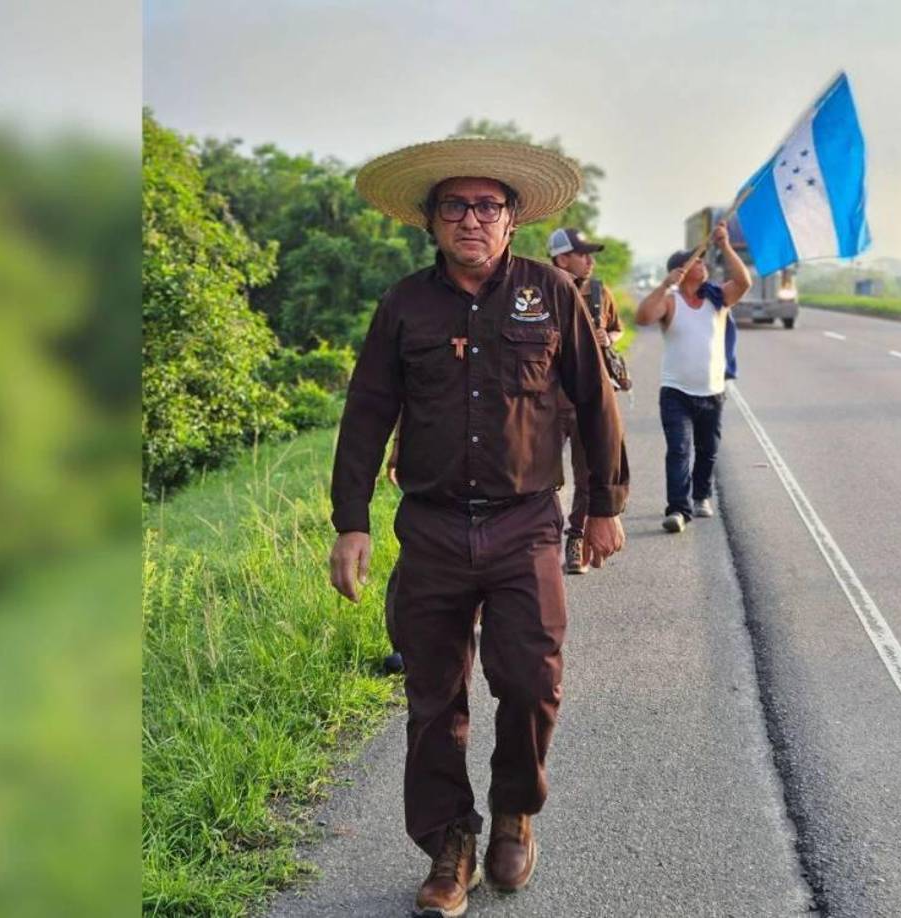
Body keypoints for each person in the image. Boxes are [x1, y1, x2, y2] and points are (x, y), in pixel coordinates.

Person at [328, 136, 628, 917]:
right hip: (429, 529)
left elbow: (596, 401)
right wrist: (351, 523)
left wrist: (604, 506)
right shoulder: (403, 306)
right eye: (454, 206)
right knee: (433, 696)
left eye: (487, 206)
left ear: (512, 219)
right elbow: (367, 413)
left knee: (531, 681)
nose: (471, 219)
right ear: (430, 221)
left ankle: (515, 811)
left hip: (527, 522)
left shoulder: (550, 294)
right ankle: (448, 843)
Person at [634, 220, 751, 533]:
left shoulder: (717, 299)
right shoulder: (670, 301)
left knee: (708, 450)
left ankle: (701, 495)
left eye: (701, 260)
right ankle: (678, 509)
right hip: (676, 392)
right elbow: (643, 317)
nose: (702, 264)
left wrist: (725, 245)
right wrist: (664, 285)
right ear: (681, 271)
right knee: (679, 449)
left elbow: (744, 282)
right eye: (695, 260)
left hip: (712, 392)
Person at [547, 227, 625, 574]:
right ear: (562, 258)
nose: (590, 261)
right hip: (544, 403)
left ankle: (576, 538)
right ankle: (539, 543)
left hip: (586, 400)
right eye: (583, 255)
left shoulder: (598, 292)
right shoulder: (538, 290)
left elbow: (616, 327)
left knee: (587, 473)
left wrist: (605, 338)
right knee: (540, 477)